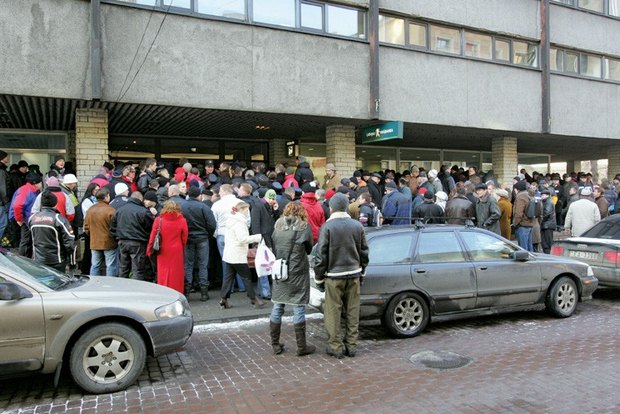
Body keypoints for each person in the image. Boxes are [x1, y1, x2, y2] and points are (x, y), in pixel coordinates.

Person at [314, 193, 369, 359]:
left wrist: (319, 278)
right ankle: (351, 345)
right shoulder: (357, 226)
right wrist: (362, 271)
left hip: (333, 275)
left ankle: (336, 346)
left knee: (333, 312)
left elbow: (321, 255)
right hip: (353, 273)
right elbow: (364, 252)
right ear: (346, 207)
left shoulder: (328, 227)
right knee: (353, 311)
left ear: (331, 208)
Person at [269, 202, 315, 356]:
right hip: (298, 272)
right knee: (298, 307)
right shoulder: (304, 226)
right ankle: (301, 347)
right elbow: (309, 247)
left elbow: (274, 245)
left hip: (280, 270)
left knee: (277, 307)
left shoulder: (278, 224)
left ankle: (275, 344)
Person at [219, 201, 264, 309]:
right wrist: (258, 237)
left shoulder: (230, 221)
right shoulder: (239, 223)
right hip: (238, 255)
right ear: (242, 210)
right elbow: (242, 239)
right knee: (246, 277)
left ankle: (223, 299)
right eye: (247, 210)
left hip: (229, 254)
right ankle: (254, 299)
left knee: (228, 278)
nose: (248, 212)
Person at [181, 186, 216, 301]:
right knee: (203, 265)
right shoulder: (203, 207)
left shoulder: (182, 206)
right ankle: (204, 293)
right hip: (202, 238)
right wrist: (207, 234)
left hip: (188, 239)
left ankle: (186, 292)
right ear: (199, 195)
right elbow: (212, 224)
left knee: (188, 265)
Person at [25, 191, 75, 272]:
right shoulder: (59, 219)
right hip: (57, 261)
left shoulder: (32, 218)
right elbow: (70, 243)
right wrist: (71, 262)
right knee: (58, 283)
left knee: (41, 282)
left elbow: (28, 241)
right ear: (55, 204)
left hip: (38, 260)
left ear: (41, 204)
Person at [147, 200, 188, 294]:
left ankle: (164, 292)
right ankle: (177, 292)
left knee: (163, 271)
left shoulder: (159, 220)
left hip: (162, 249)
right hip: (177, 250)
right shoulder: (182, 220)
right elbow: (184, 237)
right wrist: (181, 246)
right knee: (176, 272)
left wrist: (149, 249)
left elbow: (152, 236)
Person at [112, 191, 155, 281]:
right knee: (137, 270)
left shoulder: (120, 210)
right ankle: (136, 291)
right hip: (138, 242)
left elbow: (112, 226)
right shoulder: (143, 211)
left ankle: (122, 290)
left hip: (122, 241)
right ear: (140, 199)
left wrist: (117, 237)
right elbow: (151, 228)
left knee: (123, 269)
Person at [251, 189, 280, 299]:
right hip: (263, 240)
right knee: (264, 265)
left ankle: (262, 291)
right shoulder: (258, 206)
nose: (273, 201)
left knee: (263, 265)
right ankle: (265, 291)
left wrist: (275, 211)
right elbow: (255, 225)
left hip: (268, 239)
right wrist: (257, 241)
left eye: (274, 199)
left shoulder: (266, 206)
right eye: (271, 198)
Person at [84, 188, 118, 276]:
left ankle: (93, 283)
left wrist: (92, 235)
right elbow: (115, 227)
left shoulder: (90, 210)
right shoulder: (111, 210)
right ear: (106, 197)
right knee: (111, 266)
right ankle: (110, 284)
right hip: (109, 242)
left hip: (94, 242)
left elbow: (86, 227)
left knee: (95, 265)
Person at [9, 172, 43, 257]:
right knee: (26, 241)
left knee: (28, 241)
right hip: (24, 219)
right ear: (35, 183)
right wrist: (20, 220)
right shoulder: (25, 190)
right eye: (40, 182)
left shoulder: (33, 190)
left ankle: (27, 260)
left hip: (27, 218)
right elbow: (17, 206)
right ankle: (23, 262)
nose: (42, 184)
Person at [79, 182, 100, 275]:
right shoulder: (87, 201)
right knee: (88, 250)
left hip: (97, 228)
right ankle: (85, 269)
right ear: (91, 190)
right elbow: (88, 214)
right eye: (96, 190)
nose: (97, 191)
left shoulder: (98, 200)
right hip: (89, 228)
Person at [512, 180, 535, 251]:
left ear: (517, 189)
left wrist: (515, 223)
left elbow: (518, 213)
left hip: (523, 225)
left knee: (523, 249)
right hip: (529, 223)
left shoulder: (520, 197)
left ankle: (525, 262)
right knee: (529, 247)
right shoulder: (528, 195)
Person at [540, 189, 557, 254]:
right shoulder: (546, 201)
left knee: (547, 242)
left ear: (547, 195)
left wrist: (540, 220)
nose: (541, 196)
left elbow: (546, 213)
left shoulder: (548, 202)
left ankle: (549, 254)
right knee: (546, 242)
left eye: (543, 195)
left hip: (547, 225)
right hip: (547, 224)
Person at [0, 150, 9, 241]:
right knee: (2, 224)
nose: (8, 158)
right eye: (6, 156)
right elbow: (3, 188)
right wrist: (6, 202)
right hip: (1, 202)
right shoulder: (1, 171)